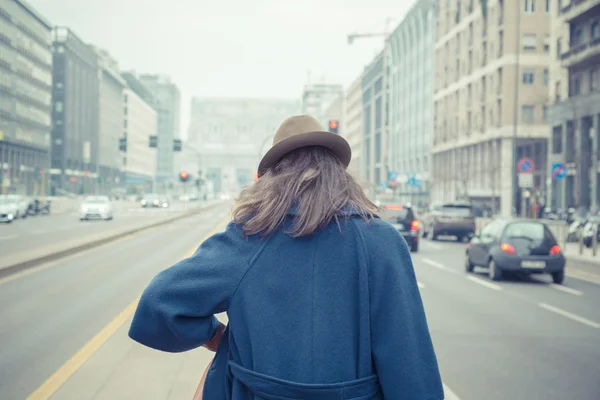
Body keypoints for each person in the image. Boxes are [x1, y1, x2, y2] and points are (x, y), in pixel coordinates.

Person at [129, 115, 444, 399]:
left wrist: (216, 336)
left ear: (273, 179)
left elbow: (159, 302)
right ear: (339, 174)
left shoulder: (248, 237)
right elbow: (410, 363)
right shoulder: (382, 242)